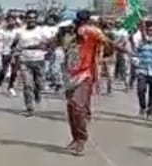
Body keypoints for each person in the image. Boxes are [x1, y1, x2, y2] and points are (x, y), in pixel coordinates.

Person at [61, 10, 110, 156]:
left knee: (77, 106)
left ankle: (82, 138)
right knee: (71, 108)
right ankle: (75, 137)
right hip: (69, 75)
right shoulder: (68, 34)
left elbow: (107, 43)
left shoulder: (91, 32)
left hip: (85, 73)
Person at [11, 10, 49, 117]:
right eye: (29, 18)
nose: (31, 20)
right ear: (26, 19)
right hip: (25, 61)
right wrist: (15, 51)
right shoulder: (20, 32)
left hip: (39, 60)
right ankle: (29, 108)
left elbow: (46, 44)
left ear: (36, 19)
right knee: (27, 85)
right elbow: (13, 45)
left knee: (39, 84)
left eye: (34, 18)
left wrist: (40, 47)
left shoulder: (41, 31)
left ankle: (37, 92)